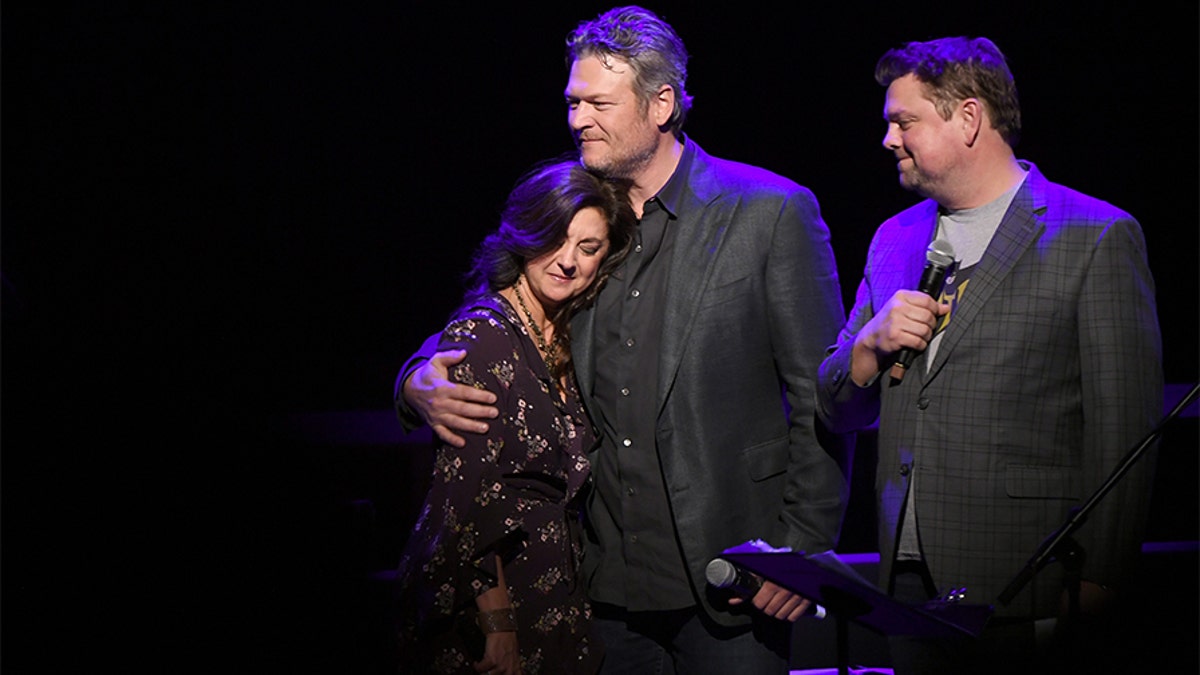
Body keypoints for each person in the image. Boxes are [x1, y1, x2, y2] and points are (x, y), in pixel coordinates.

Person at [395, 6, 849, 673]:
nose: (578, 118)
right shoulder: (580, 219)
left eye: (598, 102)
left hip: (732, 581)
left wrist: (802, 549)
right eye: (573, 101)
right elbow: (495, 321)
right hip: (601, 591)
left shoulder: (770, 212)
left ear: (662, 103)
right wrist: (413, 378)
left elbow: (825, 395)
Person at [815, 36, 1163, 674]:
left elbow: (1125, 435)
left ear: (968, 117)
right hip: (907, 580)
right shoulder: (896, 238)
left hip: (1023, 578)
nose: (889, 139)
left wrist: (1103, 581)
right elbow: (835, 405)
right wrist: (869, 344)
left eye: (904, 121)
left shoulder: (1093, 236)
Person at [394, 158, 637, 674]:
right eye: (556, 238)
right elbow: (469, 500)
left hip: (559, 600)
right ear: (526, 234)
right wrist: (497, 624)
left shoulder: (569, 338)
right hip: (496, 610)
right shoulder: (484, 336)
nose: (568, 260)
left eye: (588, 248)